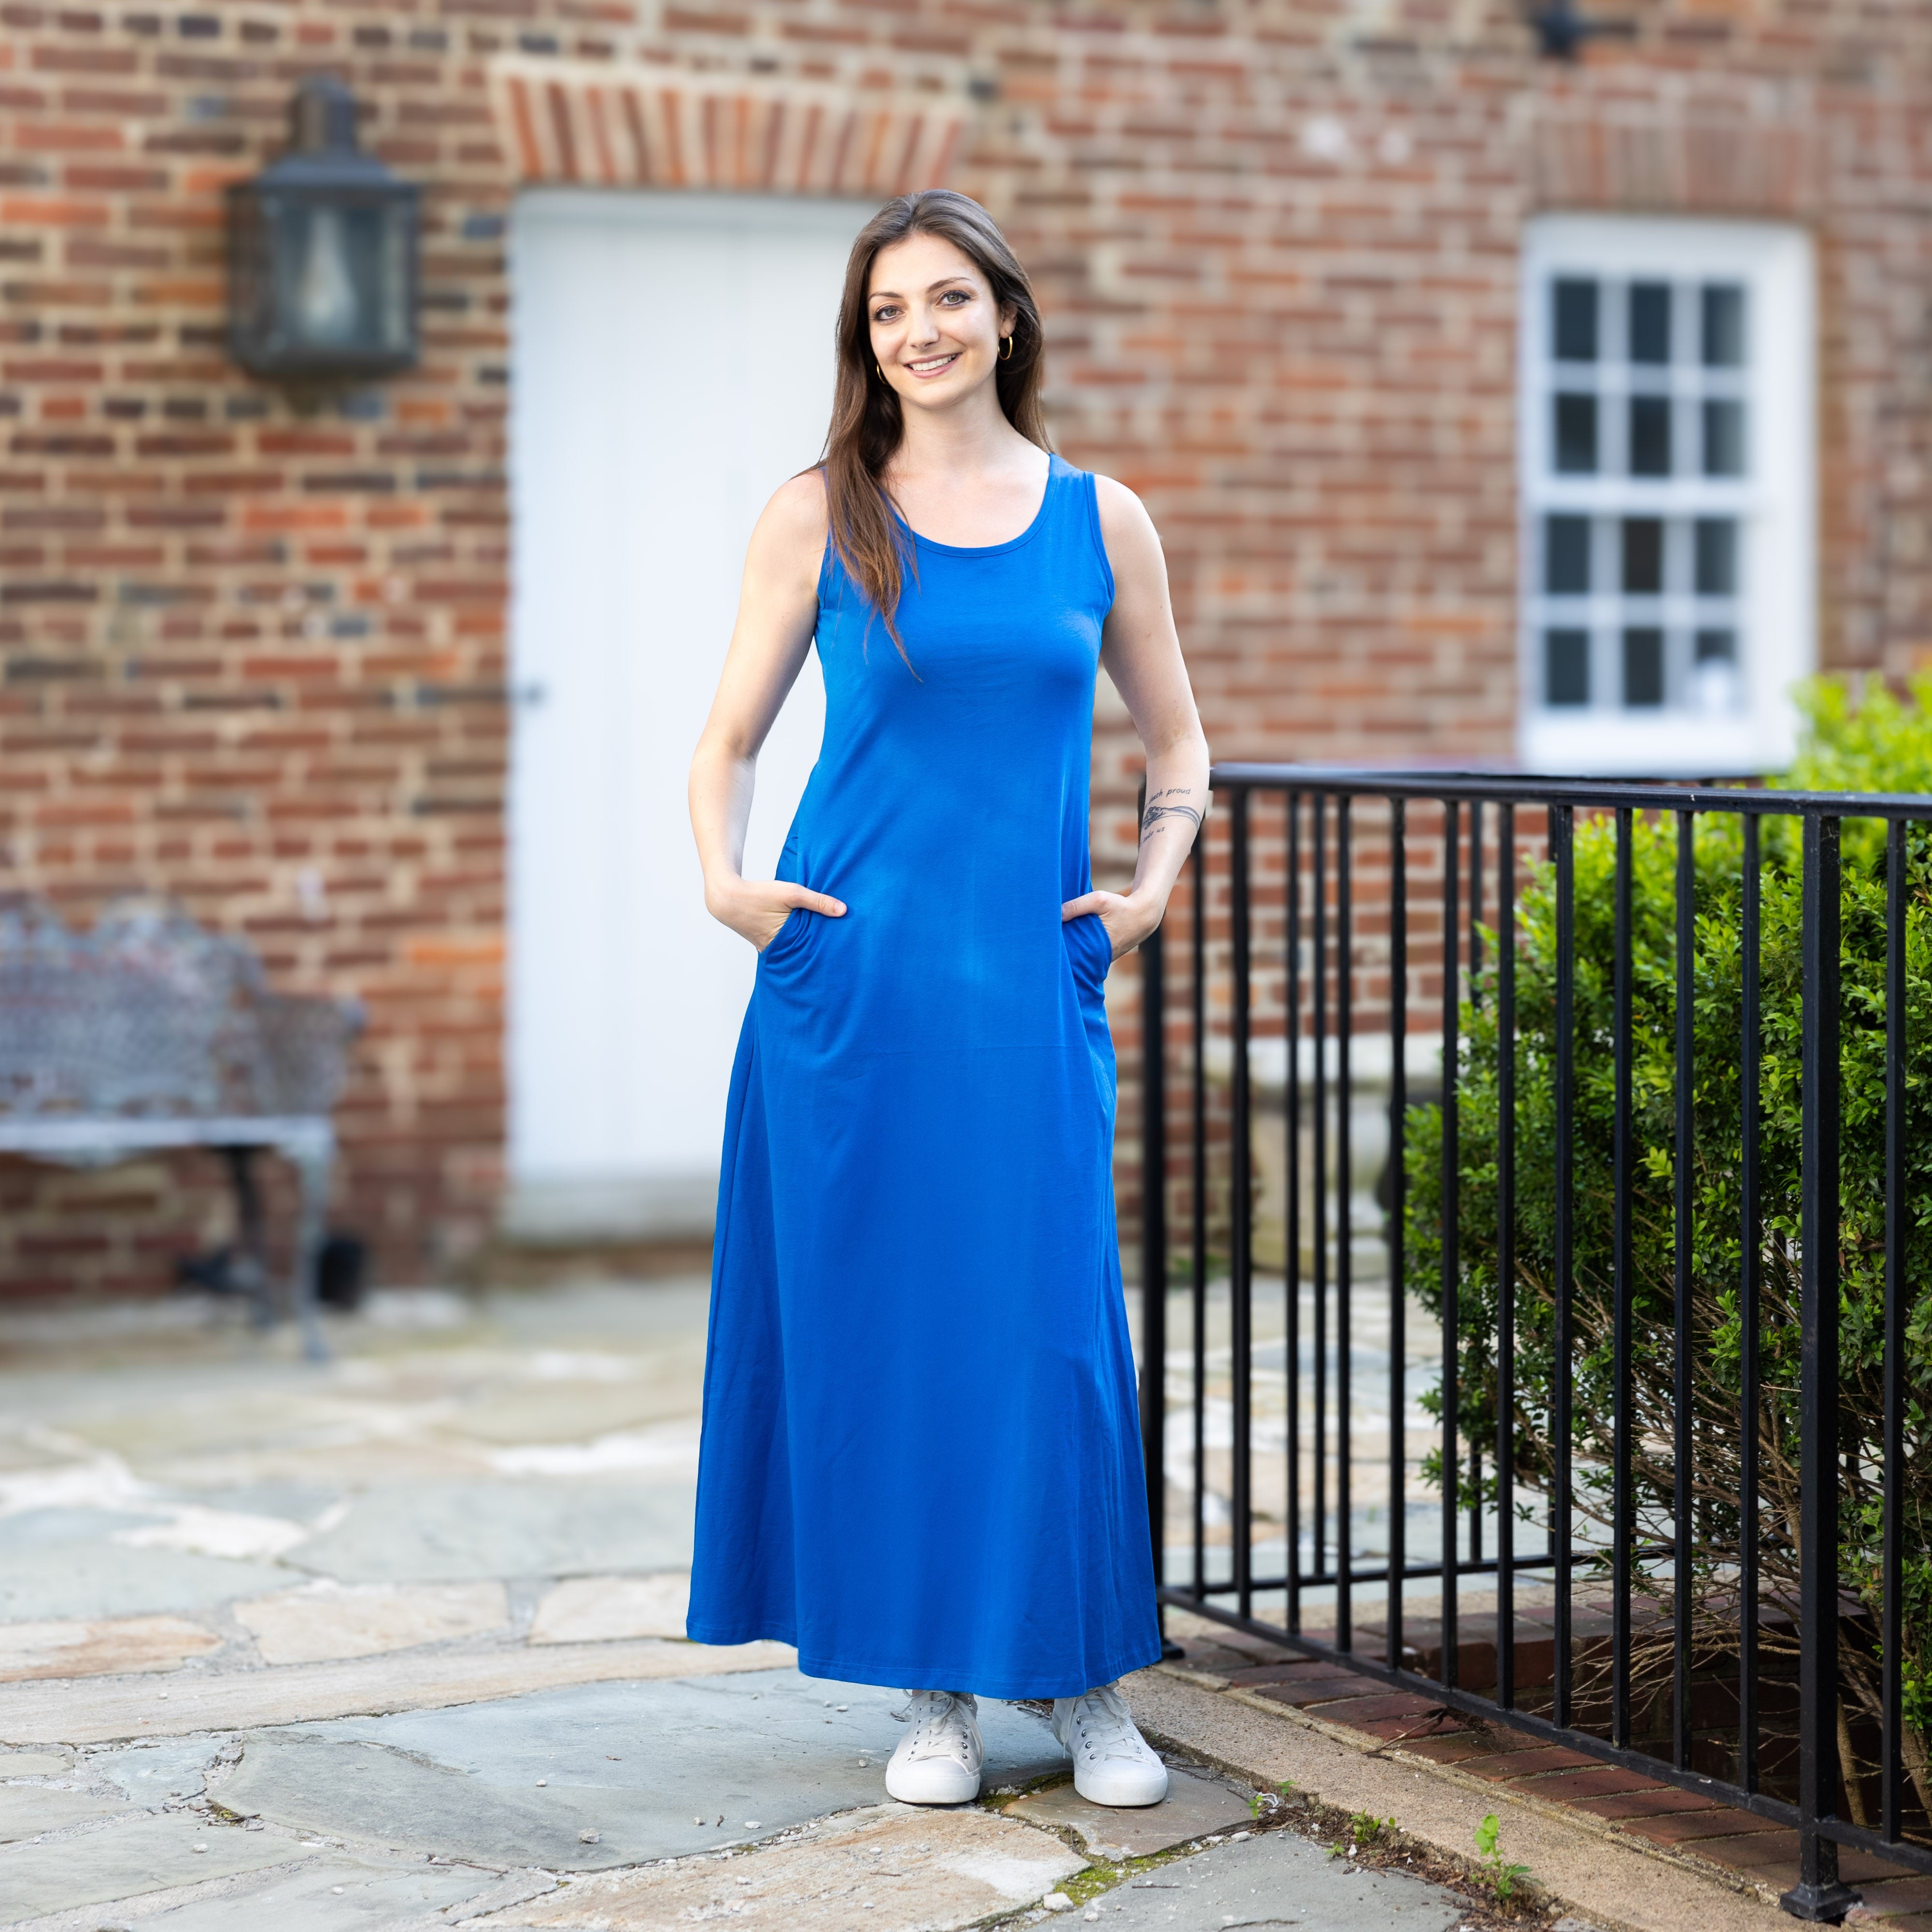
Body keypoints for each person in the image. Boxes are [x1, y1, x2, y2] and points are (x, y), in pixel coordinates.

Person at [686, 189, 1209, 1809]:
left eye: (949, 299)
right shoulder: (820, 511)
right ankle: (936, 1695)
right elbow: (728, 743)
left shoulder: (1100, 517)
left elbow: (1177, 742)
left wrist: (1145, 896)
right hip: (854, 994)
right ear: (870, 340)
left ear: (1006, 316)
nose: (920, 331)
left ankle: (1085, 1678)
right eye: (889, 309)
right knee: (896, 1332)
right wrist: (729, 884)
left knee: (1048, 1327)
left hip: (1027, 996)